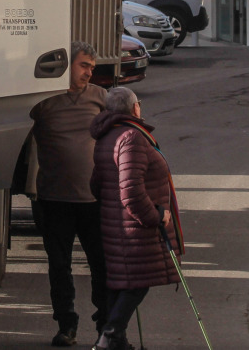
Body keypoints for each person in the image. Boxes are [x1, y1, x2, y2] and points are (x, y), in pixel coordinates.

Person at [89, 87, 182, 350]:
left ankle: (116, 340)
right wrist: (155, 216)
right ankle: (110, 336)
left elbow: (96, 184)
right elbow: (131, 190)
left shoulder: (108, 136)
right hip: (135, 228)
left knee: (123, 283)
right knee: (136, 284)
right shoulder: (131, 137)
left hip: (115, 223)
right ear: (135, 108)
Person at [30, 41, 109, 346]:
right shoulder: (43, 101)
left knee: (101, 265)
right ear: (67, 65)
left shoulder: (100, 98)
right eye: (83, 65)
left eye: (92, 67)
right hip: (54, 200)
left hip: (94, 201)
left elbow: (125, 129)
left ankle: (106, 326)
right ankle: (66, 325)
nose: (89, 73)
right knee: (59, 266)